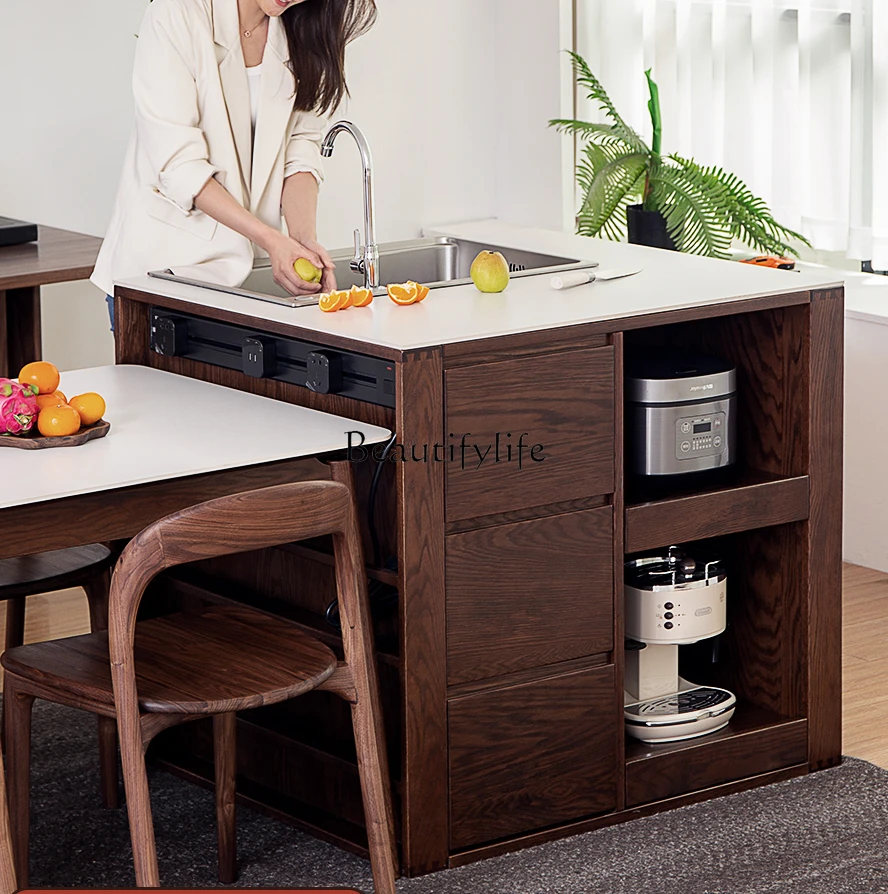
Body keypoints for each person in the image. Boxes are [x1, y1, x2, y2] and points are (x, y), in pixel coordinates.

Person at [91, 0, 377, 326]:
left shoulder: (304, 31)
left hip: (244, 288)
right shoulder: (178, 11)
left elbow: (300, 150)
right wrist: (271, 240)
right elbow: (179, 165)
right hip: (162, 274)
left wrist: (302, 240)